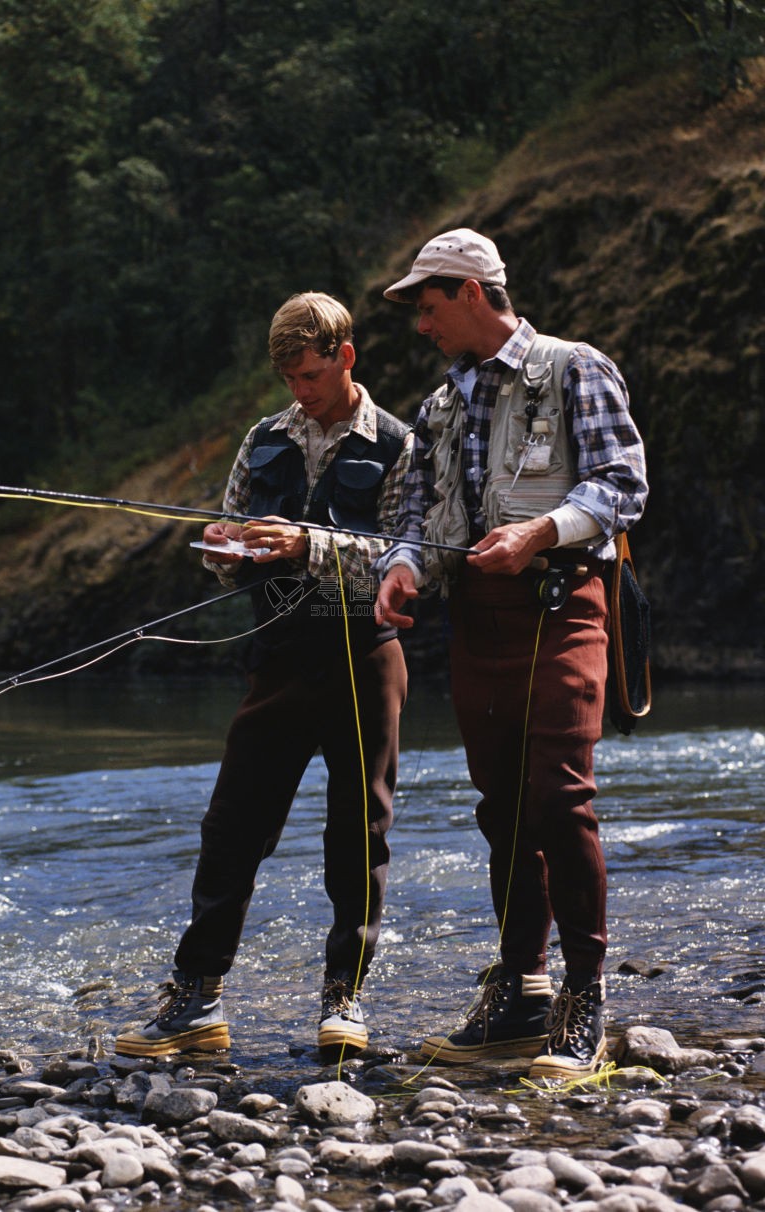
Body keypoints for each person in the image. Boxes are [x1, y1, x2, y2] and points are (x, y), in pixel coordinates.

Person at [375, 229, 648, 1078]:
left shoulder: (576, 368)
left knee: (560, 799)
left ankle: (584, 998)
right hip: (478, 625)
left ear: (469, 291)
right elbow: (415, 513)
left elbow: (622, 483)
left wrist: (539, 531)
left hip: (563, 606)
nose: (421, 326)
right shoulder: (440, 406)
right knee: (501, 809)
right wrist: (401, 568)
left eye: (427, 307)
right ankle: (522, 992)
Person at [116, 292, 412, 1058]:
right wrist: (224, 549)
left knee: (358, 834)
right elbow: (233, 543)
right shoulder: (263, 438)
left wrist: (307, 546)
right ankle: (196, 998)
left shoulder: (400, 445)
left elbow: (405, 562)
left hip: (362, 656)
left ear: (345, 358)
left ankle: (343, 1000)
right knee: (231, 829)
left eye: (310, 376)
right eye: (288, 379)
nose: (299, 393)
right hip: (276, 654)